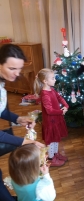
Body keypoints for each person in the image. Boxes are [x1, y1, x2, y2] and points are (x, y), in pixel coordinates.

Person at [0, 44, 45, 201]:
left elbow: (2, 111)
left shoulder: (2, 83)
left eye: (19, 68)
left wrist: (17, 119)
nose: (17, 73)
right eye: (12, 68)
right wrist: (24, 141)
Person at [34, 68, 69, 167]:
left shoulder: (52, 89)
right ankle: (50, 158)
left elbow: (59, 98)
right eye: (53, 78)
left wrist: (65, 105)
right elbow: (49, 110)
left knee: (56, 139)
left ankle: (55, 154)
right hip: (50, 121)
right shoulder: (45, 94)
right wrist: (61, 112)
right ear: (45, 81)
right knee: (51, 141)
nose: (55, 80)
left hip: (56, 119)